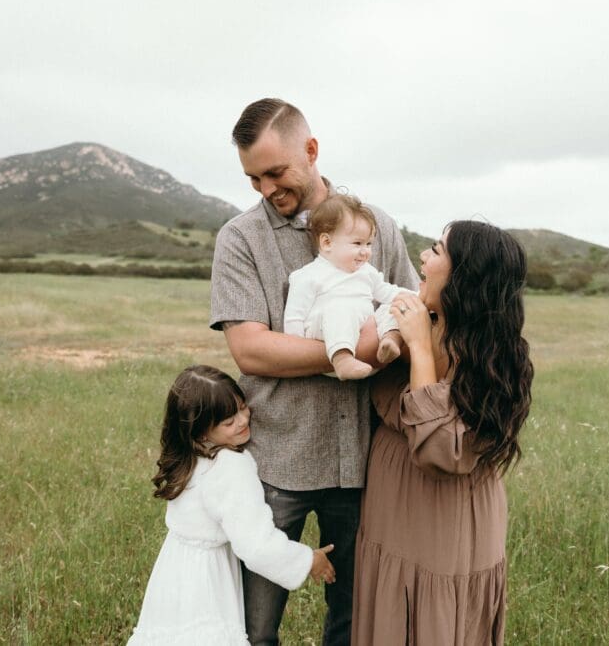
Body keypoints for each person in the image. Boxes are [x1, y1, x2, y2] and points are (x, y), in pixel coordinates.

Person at [210, 98, 418, 645]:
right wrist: (350, 349)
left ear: (311, 150)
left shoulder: (379, 228)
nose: (265, 189)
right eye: (253, 178)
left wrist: (372, 342)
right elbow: (251, 351)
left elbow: (411, 319)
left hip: (365, 461)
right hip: (276, 461)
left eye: (275, 173)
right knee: (254, 626)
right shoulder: (239, 239)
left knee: (353, 621)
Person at [351, 221, 534, 646]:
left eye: (435, 250)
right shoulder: (422, 319)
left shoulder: (493, 355)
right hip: (394, 507)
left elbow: (439, 450)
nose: (423, 257)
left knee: (435, 621)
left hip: (441, 518)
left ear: (463, 276)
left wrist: (418, 348)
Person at [127, 365, 336, 646]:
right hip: (207, 582)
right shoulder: (230, 466)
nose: (242, 421)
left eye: (242, 407)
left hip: (175, 574)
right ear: (201, 431)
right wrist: (307, 560)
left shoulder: (188, 457)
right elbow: (256, 545)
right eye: (228, 421)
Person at [284, 193, 412, 380]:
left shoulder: (366, 271)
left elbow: (386, 292)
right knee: (340, 308)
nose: (366, 251)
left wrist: (415, 297)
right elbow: (294, 317)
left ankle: (390, 339)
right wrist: (297, 349)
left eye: (369, 244)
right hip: (326, 335)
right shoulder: (308, 276)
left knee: (393, 307)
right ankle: (342, 358)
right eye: (357, 243)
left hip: (364, 334)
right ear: (327, 243)